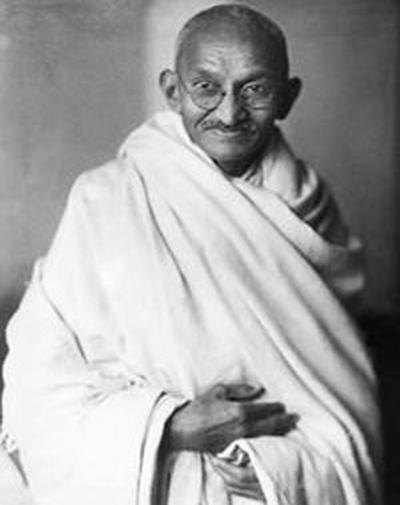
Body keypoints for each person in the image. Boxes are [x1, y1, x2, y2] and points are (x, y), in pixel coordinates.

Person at [1, 4, 381, 505]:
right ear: (172, 90)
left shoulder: (310, 211)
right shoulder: (106, 200)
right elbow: (38, 382)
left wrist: (291, 471)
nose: (229, 113)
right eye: (206, 87)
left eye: (255, 89)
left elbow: (344, 402)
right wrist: (167, 426)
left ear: (288, 97)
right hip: (153, 483)